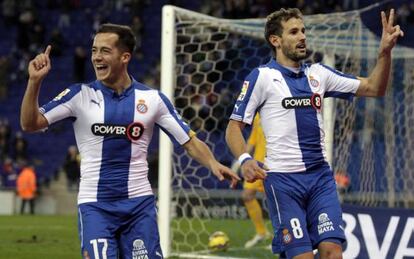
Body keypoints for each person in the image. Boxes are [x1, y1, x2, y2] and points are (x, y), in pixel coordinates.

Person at [20, 23, 240, 259]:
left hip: (138, 206)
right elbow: (30, 124)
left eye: (105, 51)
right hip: (96, 207)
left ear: (125, 56)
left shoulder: (152, 100)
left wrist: (213, 163)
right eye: (94, 50)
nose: (96, 57)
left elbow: (188, 140)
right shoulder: (79, 95)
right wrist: (34, 82)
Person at [226, 8, 403, 259]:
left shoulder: (319, 74)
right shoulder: (262, 78)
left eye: (303, 31)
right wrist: (244, 160)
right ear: (275, 40)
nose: (302, 37)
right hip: (283, 182)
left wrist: (384, 52)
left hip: (320, 178)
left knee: (333, 252)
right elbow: (233, 127)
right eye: (294, 32)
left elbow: (374, 88)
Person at [236, 114, 271, 248]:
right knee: (247, 195)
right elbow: (252, 139)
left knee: (276, 200)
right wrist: (241, 159)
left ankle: (281, 237)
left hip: (274, 163)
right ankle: (261, 232)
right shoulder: (257, 116)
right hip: (257, 163)